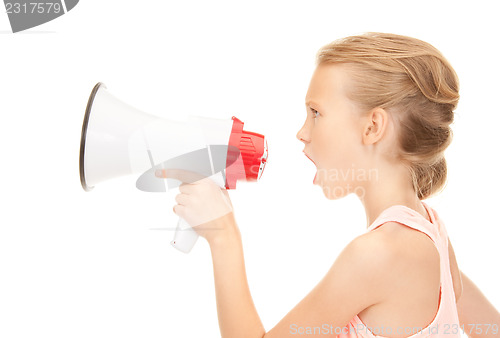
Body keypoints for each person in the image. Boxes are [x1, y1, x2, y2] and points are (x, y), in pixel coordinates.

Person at [157, 32, 500, 337]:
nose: (302, 133)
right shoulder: (432, 230)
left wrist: (223, 236)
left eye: (316, 112)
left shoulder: (377, 254)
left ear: (372, 127)